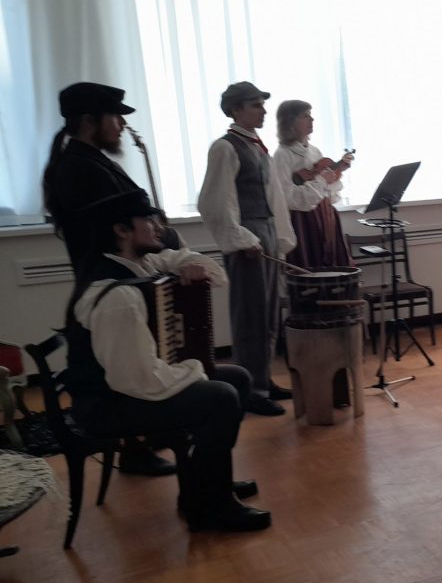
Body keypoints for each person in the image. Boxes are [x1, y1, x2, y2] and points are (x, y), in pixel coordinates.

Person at [61, 190, 269, 532]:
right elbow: (137, 380)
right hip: (107, 405)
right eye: (148, 220)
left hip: (124, 388)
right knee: (219, 396)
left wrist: (187, 265)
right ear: (121, 230)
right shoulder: (119, 296)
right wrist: (195, 371)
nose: (159, 227)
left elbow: (215, 274)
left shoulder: (137, 264)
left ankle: (205, 482)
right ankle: (209, 507)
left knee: (237, 378)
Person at [41, 82, 178, 477]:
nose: (120, 124)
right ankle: (135, 447)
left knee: (137, 359)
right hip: (110, 281)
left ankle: (149, 436)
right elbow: (115, 227)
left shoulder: (91, 160)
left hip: (119, 278)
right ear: (89, 120)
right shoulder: (79, 167)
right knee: (122, 368)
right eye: (114, 116)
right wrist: (158, 233)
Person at [198, 81, 296, 416]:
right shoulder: (225, 148)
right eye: (255, 105)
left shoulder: (258, 146)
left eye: (262, 104)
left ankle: (263, 379)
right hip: (248, 237)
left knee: (268, 313)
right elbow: (214, 201)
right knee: (250, 316)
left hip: (265, 231)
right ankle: (250, 389)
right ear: (235, 109)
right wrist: (241, 239)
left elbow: (274, 197)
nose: (263, 110)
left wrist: (279, 236)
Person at [271, 100, 355, 270]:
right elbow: (288, 198)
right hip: (303, 221)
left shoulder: (314, 151)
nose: (312, 119)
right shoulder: (282, 155)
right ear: (290, 122)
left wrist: (334, 175)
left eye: (310, 115)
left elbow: (327, 190)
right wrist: (322, 181)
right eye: (305, 116)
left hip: (325, 216)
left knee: (333, 271)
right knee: (310, 269)